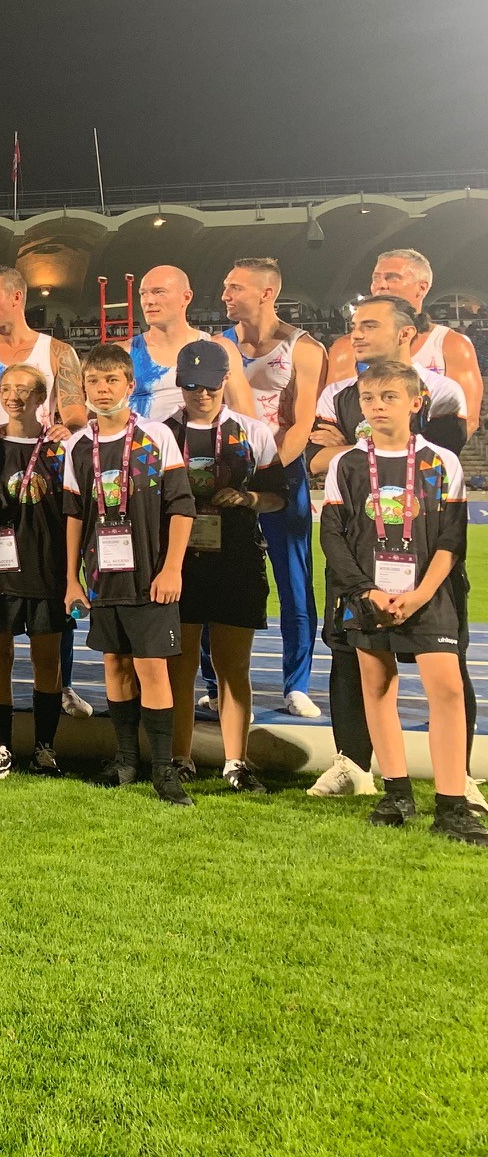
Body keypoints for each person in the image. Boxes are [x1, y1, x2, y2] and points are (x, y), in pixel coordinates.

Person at [306, 295, 479, 806]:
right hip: (364, 571)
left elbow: (446, 505)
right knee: (359, 669)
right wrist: (364, 587)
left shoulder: (442, 407)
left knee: (447, 675)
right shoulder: (340, 403)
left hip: (424, 573)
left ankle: (457, 781)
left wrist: (425, 590)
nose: (355, 333)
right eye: (369, 399)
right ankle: (365, 771)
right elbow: (319, 465)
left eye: (369, 325)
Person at [0, 265, 90, 722]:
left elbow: (77, 412)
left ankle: (61, 682)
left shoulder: (59, 353)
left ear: (17, 297)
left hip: (45, 476)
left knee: (55, 571)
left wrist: (67, 426)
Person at [62, 342, 196, 806]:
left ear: (130, 385)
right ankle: (125, 760)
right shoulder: (79, 446)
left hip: (151, 577)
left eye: (111, 380)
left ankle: (164, 769)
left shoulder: (156, 436)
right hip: (103, 578)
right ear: (83, 388)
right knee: (115, 667)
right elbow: (74, 516)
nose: (102, 390)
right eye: (94, 382)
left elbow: (181, 507)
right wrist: (71, 580)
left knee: (153, 669)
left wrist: (172, 568)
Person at [157, 341, 285, 793]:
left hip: (236, 559)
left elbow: (277, 497)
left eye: (210, 385)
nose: (201, 395)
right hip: (177, 565)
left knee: (234, 666)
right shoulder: (157, 433)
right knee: (181, 665)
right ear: (179, 384)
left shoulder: (254, 431)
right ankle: (180, 757)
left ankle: (236, 761)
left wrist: (249, 498)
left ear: (225, 380)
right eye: (191, 386)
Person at [218, 258, 329, 719]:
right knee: (215, 580)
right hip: (226, 478)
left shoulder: (304, 348)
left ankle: (296, 684)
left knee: (295, 582)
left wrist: (266, 472)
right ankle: (213, 680)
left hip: (281, 473)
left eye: (234, 287)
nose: (224, 295)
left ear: (266, 293)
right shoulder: (216, 345)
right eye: (225, 287)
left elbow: (302, 423)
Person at [0, 363, 72, 777]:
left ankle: (45, 747)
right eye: (6, 388)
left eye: (24, 389)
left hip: (47, 567)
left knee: (47, 659)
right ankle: (0, 745)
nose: (14, 396)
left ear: (41, 398)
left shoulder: (61, 447)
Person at [324, 248, 483, 432]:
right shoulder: (347, 347)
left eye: (392, 277)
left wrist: (402, 455)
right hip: (361, 459)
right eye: (376, 278)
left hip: (429, 457)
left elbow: (467, 421)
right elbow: (335, 420)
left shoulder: (451, 344)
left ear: (421, 287)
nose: (381, 285)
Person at [129, 265, 256, 421]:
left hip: (201, 443)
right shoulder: (125, 353)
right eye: (143, 293)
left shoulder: (220, 350)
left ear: (186, 297)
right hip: (143, 443)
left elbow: (245, 419)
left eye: (159, 292)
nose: (148, 301)